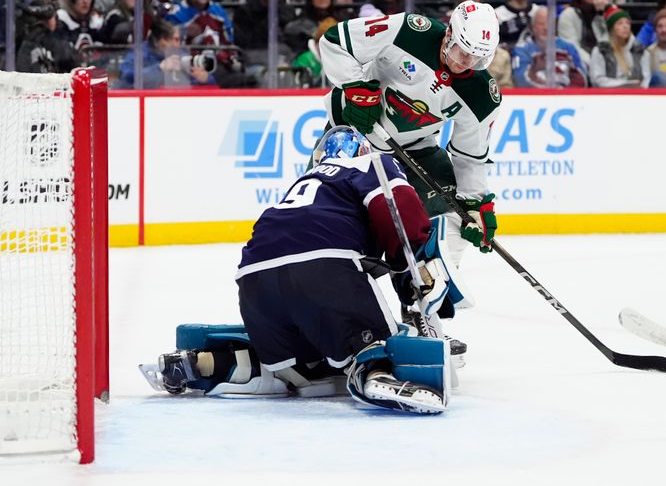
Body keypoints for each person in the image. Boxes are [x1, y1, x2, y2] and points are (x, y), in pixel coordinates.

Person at [142, 126, 454, 414]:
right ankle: (375, 373)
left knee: (303, 371)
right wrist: (409, 260)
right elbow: (397, 205)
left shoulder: (306, 180)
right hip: (324, 265)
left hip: (254, 279)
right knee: (370, 343)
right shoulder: (372, 163)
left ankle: (205, 364)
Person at [319, 0, 501, 336]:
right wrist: (356, 90)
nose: (464, 63)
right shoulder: (408, 30)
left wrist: (476, 204)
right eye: (461, 50)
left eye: (475, 58)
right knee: (326, 227)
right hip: (354, 136)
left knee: (455, 214)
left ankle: (422, 310)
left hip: (414, 151)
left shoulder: (481, 96)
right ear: (449, 32)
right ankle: (329, 319)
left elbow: (469, 159)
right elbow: (334, 41)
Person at [116, 18, 216, 88]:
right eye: (175, 40)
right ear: (160, 40)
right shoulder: (139, 53)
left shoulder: (181, 54)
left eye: (179, 40)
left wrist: (205, 79)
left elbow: (211, 82)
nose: (178, 45)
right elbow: (126, 76)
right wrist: (159, 68)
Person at [512, 6, 586, 88]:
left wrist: (565, 93)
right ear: (532, 27)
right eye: (541, 24)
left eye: (549, 23)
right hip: (535, 98)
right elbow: (520, 80)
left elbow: (582, 78)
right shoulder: (522, 50)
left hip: (566, 97)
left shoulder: (568, 48)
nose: (546, 28)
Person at [589, 4, 650, 87]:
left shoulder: (640, 50)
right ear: (611, 28)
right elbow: (597, 80)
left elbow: (646, 78)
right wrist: (626, 85)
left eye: (627, 23)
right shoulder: (600, 51)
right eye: (620, 23)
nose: (625, 26)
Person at [557, 0, 608, 68]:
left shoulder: (604, 11)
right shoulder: (568, 15)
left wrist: (601, 14)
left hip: (605, 63)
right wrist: (595, 65)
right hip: (578, 64)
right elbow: (571, 48)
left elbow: (609, 40)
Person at [16, 0, 79, 73]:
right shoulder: (26, 36)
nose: (46, 21)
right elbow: (22, 69)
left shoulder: (63, 33)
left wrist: (50, 37)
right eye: (40, 18)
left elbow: (72, 62)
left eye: (49, 17)